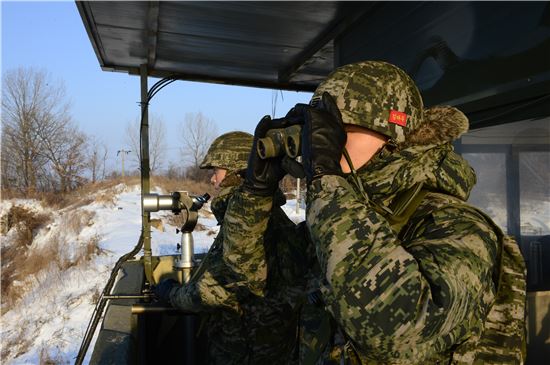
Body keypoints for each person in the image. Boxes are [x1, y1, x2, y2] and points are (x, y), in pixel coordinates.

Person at [237, 60, 526, 364]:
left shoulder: (458, 227)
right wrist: (255, 193)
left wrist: (327, 180)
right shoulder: (339, 218)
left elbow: (402, 333)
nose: (325, 143)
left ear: (392, 138)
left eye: (337, 129)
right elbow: (247, 278)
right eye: (321, 132)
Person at [154, 131, 310, 364]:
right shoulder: (269, 214)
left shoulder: (245, 220)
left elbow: (217, 289)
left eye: (216, 172)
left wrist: (172, 294)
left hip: (246, 347)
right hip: (270, 343)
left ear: (234, 170)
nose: (212, 180)